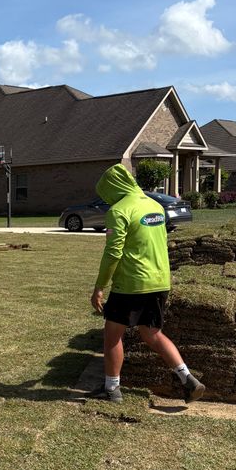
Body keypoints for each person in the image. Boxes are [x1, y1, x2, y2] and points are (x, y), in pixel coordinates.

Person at [88, 163, 205, 404]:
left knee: (112, 336)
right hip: (160, 281)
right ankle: (188, 379)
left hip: (131, 284)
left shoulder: (119, 210)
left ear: (113, 189)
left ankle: (111, 389)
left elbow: (113, 253)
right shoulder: (155, 206)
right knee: (152, 334)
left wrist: (100, 286)